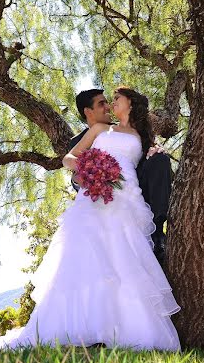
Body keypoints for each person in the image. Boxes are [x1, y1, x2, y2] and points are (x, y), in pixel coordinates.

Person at [0, 87, 180, 352]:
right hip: (94, 194)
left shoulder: (141, 136)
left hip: (127, 196)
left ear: (130, 105)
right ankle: (80, 326)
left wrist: (155, 151)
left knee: (123, 256)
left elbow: (149, 158)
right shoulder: (98, 131)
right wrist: (90, 170)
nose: (111, 104)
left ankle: (127, 328)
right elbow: (69, 159)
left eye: (116, 99)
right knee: (85, 255)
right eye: (107, 101)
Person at [70, 89, 173, 266]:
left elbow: (144, 155)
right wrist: (94, 175)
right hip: (101, 189)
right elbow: (75, 169)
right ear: (88, 111)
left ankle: (156, 233)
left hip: (134, 185)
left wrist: (155, 151)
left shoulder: (136, 132)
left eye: (111, 101)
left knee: (161, 160)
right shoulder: (85, 137)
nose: (108, 106)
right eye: (102, 104)